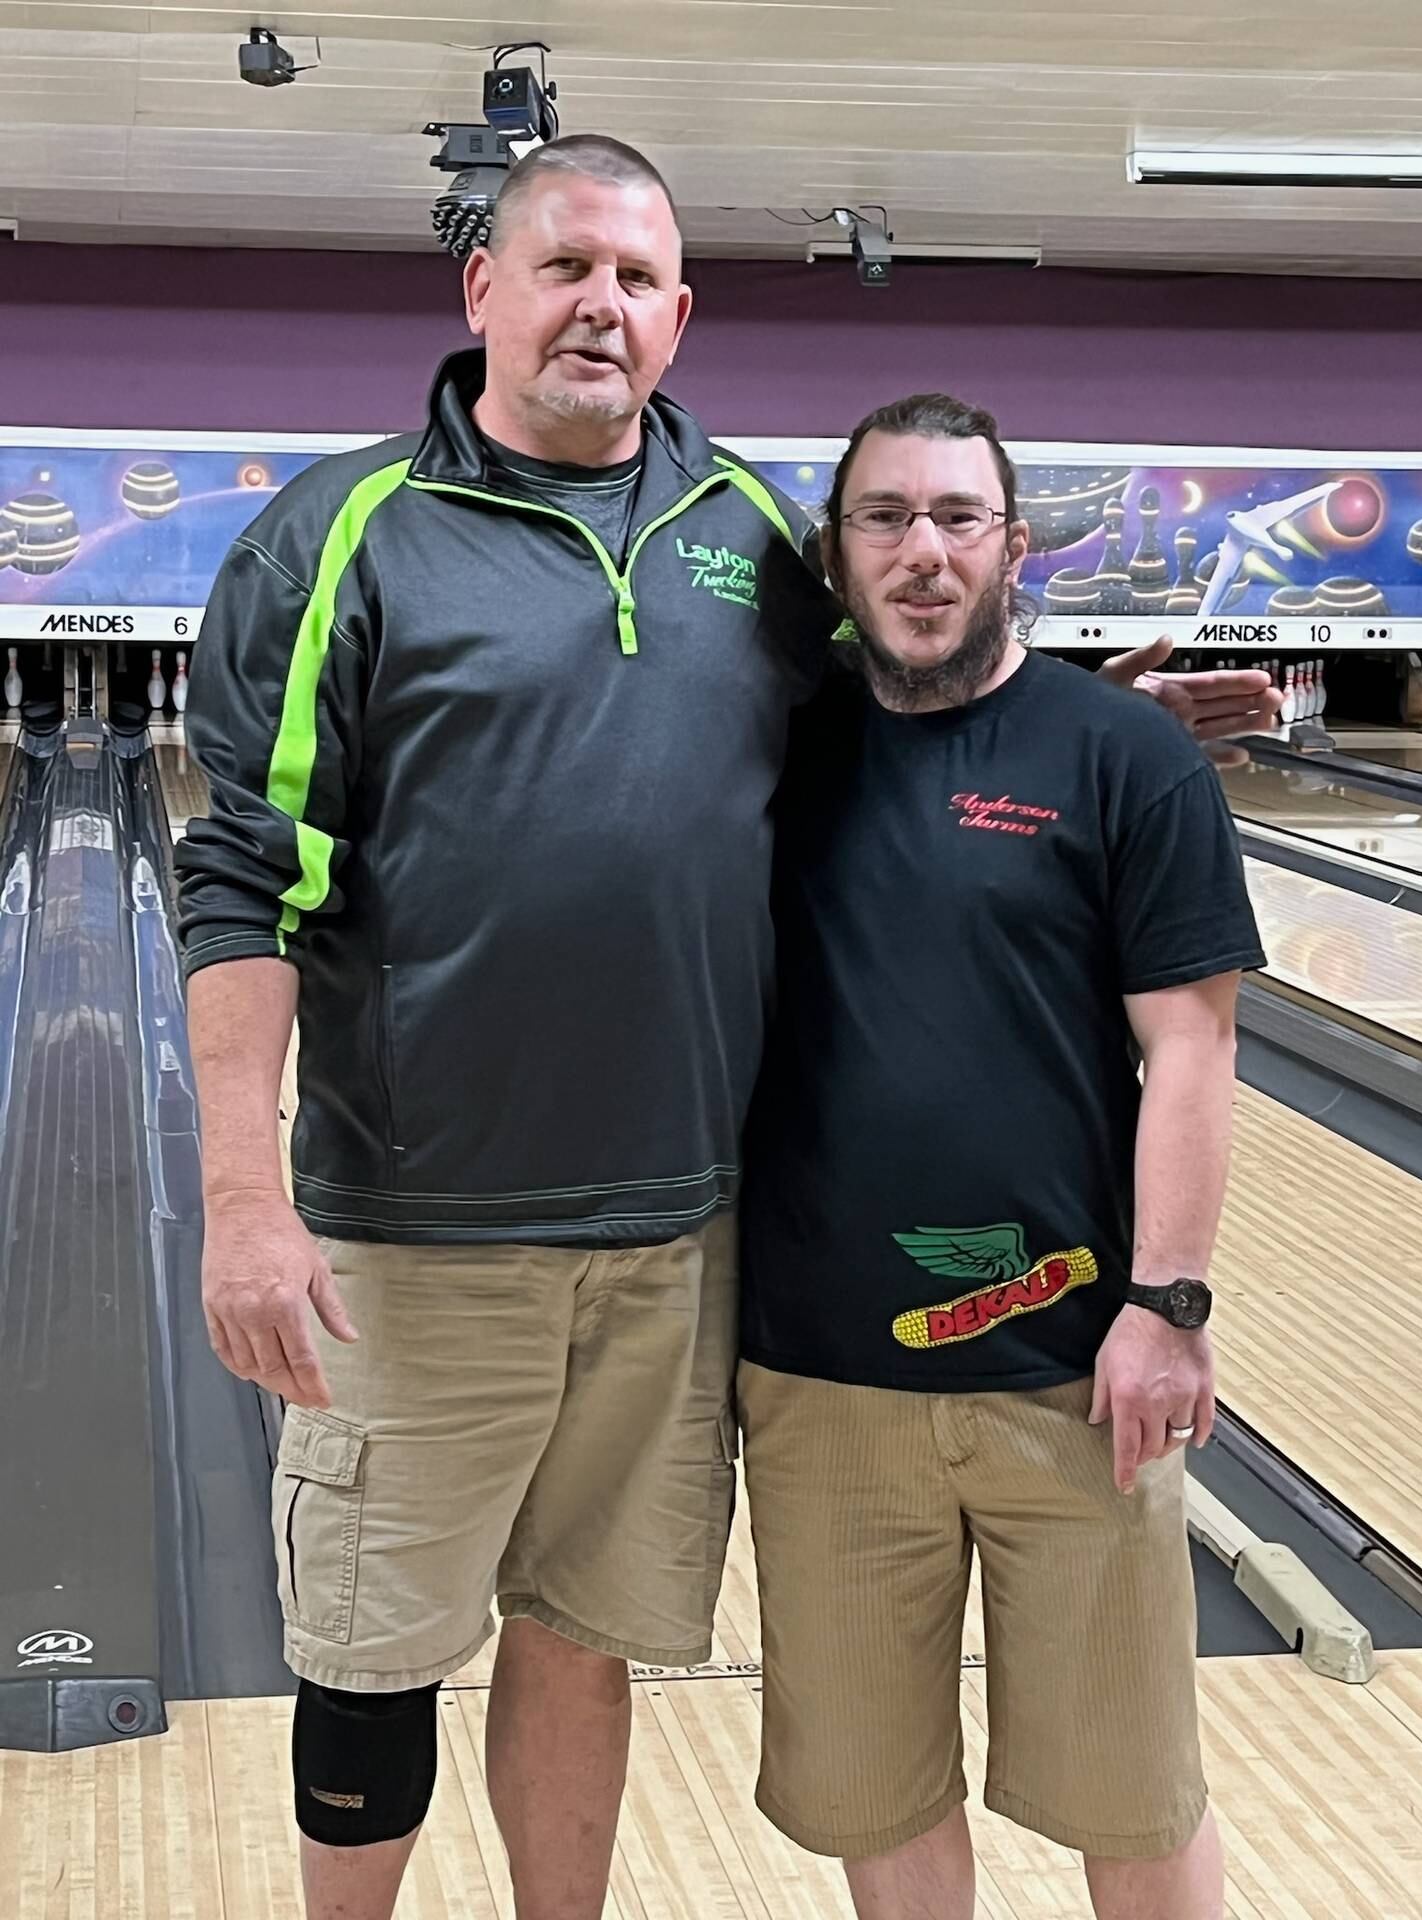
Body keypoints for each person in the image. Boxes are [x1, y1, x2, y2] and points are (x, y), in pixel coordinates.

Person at [176, 133, 1277, 1920]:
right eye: (563, 267)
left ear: (680, 318)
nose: (599, 304)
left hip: (682, 1240)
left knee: (587, 1639)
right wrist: (241, 1195)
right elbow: (244, 872)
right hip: (420, 1234)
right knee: (371, 1658)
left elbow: (918, 710)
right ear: (484, 292)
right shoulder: (346, 531)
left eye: (635, 278)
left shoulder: (752, 534)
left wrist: (1098, 734)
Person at [737, 393, 1267, 1920]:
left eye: (956, 518)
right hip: (820, 1383)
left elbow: (1194, 1047)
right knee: (875, 1790)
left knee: (1134, 1789)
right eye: (884, 518)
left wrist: (1168, 1308)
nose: (921, 552)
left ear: (1013, 548)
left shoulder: (1122, 762)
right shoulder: (766, 756)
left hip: (1072, 1376)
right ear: (836, 559)